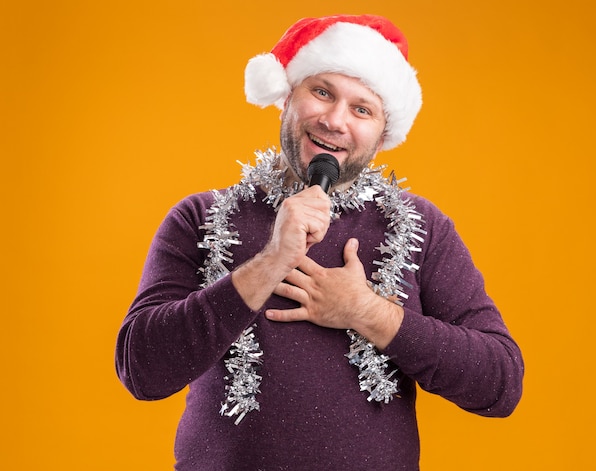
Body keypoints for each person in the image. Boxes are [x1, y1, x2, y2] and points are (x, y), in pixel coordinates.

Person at [115, 14, 524, 470]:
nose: (334, 121)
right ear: (288, 96)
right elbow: (141, 370)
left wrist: (367, 311)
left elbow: (500, 382)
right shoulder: (201, 218)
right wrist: (269, 263)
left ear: (384, 132)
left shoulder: (422, 228)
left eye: (361, 109)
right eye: (322, 92)